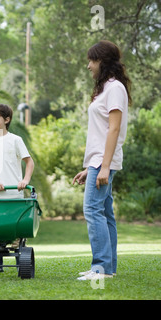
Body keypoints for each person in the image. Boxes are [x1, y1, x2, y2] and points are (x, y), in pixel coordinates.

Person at [73, 40, 132, 281]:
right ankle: (108, 267)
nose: (88, 66)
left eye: (92, 60)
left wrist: (104, 166)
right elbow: (102, 130)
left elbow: (114, 129)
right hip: (99, 161)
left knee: (93, 210)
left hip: (104, 162)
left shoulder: (114, 87)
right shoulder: (106, 89)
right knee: (105, 213)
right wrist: (91, 167)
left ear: (102, 62)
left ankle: (101, 268)